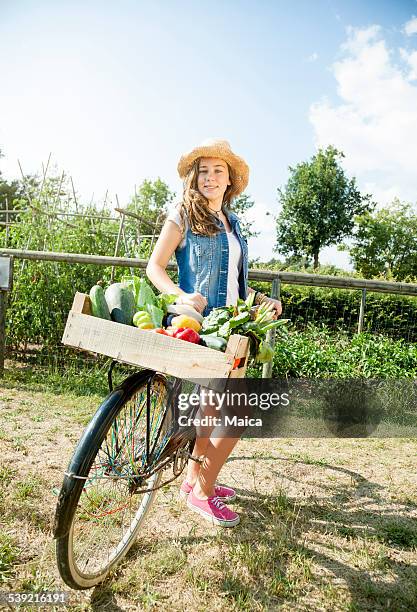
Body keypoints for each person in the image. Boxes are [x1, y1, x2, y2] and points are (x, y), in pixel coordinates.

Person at [146, 138, 282, 527]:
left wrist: (260, 301)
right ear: (194, 178)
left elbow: (232, 283)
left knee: (210, 411)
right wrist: (180, 294)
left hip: (234, 325)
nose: (209, 177)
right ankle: (204, 493)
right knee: (237, 415)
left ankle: (193, 479)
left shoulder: (232, 223)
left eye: (217, 171)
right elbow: (155, 267)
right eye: (202, 171)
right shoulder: (183, 214)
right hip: (204, 328)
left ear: (229, 180)